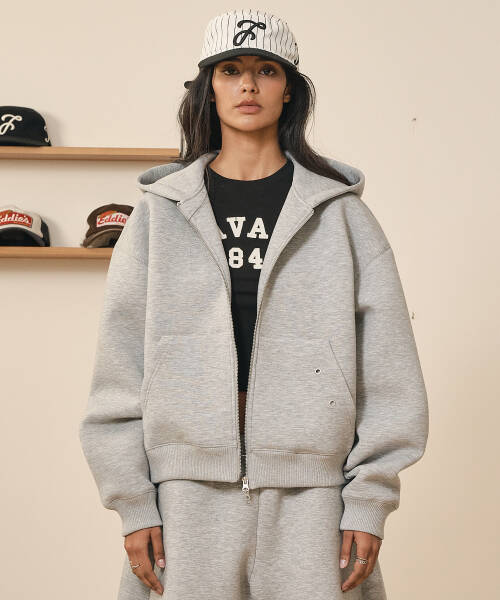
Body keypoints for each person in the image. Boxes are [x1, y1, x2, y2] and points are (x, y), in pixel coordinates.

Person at [79, 9, 429, 599]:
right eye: (230, 70)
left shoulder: (343, 217)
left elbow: (390, 371)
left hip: (315, 497)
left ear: (288, 88)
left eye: (266, 70)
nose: (248, 85)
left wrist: (369, 500)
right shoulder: (159, 217)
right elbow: (119, 369)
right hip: (183, 496)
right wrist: (133, 501)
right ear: (208, 88)